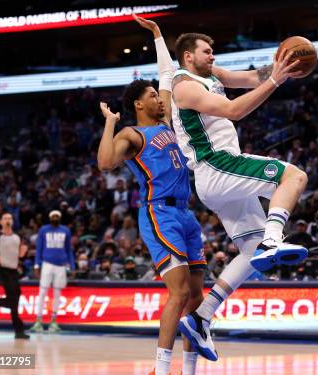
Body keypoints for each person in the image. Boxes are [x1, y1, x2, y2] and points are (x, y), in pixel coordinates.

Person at [171, 31, 309, 361]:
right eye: (207, 51)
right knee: (294, 176)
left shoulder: (210, 75)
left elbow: (249, 78)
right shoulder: (185, 85)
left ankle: (201, 316)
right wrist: (274, 82)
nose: (213, 55)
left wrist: (282, 66)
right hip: (216, 166)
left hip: (219, 177)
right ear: (189, 57)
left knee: (250, 251)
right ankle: (274, 239)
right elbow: (233, 110)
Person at [97, 14, 206, 375]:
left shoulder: (164, 122)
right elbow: (105, 163)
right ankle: (160, 368)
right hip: (159, 212)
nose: (161, 101)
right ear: (139, 105)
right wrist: (111, 122)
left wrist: (159, 35)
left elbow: (166, 78)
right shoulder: (132, 134)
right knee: (178, 293)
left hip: (186, 214)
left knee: (196, 297)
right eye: (152, 98)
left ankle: (188, 368)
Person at [0, 213, 30, 339]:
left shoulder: (17, 237)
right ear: (1, 222)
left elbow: (19, 255)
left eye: (10, 218)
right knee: (13, 300)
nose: (8, 220)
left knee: (15, 300)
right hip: (3, 271)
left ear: (12, 222)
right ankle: (19, 330)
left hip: (14, 271)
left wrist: (23, 252)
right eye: (5, 218)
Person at [30, 210, 74, 333]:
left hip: (61, 266)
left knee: (57, 293)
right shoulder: (43, 230)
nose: (55, 218)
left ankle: (53, 321)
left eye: (57, 216)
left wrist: (72, 266)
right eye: (53, 216)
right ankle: (38, 321)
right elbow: (39, 249)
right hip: (47, 264)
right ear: (50, 218)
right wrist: (36, 265)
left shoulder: (66, 230)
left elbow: (68, 249)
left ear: (60, 218)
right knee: (42, 292)